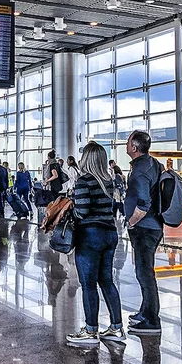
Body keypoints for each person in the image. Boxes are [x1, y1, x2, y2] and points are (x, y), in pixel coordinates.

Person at [66, 141, 125, 344]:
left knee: (88, 284)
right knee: (107, 281)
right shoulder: (108, 181)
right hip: (110, 233)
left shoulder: (84, 181)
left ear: (87, 159)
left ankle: (91, 330)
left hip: (90, 236)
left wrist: (70, 205)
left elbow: (81, 212)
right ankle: (116, 327)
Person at [124, 130, 164, 334]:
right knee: (144, 270)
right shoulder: (153, 163)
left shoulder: (139, 171)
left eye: (128, 141)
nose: (126, 144)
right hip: (155, 225)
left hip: (145, 228)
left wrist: (131, 222)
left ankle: (152, 319)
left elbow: (143, 203)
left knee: (144, 272)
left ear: (134, 147)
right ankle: (145, 310)